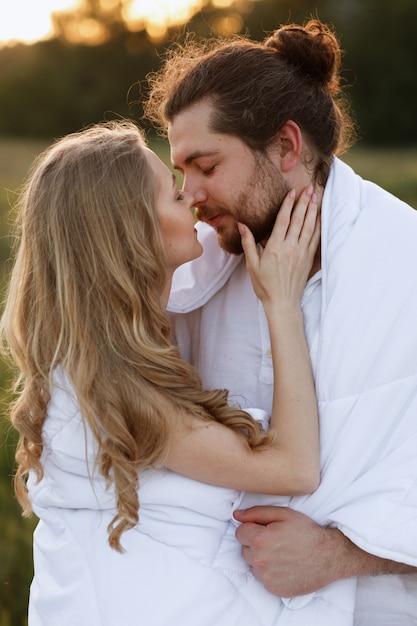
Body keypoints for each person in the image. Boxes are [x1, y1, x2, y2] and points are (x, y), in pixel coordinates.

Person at [143, 18, 417, 625]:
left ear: (287, 147)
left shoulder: (408, 262)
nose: (190, 194)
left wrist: (339, 554)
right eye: (179, 172)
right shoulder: (191, 274)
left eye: (205, 165)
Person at [1, 119, 322, 626]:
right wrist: (281, 303)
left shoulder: (113, 353)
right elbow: (295, 469)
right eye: (174, 196)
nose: (192, 201)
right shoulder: (112, 389)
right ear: (130, 231)